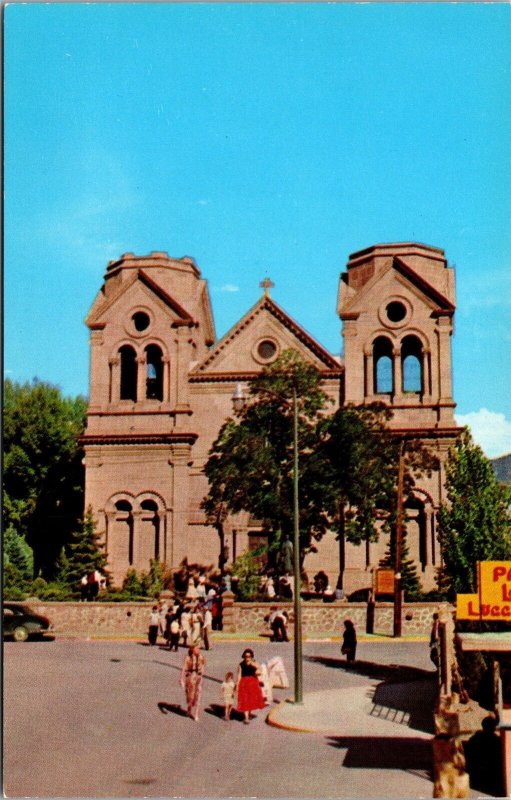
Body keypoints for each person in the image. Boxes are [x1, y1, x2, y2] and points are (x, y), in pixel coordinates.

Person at [236, 648, 266, 724]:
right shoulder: (241, 665)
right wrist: (237, 685)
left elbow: (260, 671)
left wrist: (255, 667)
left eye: (249, 656)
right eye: (246, 656)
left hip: (253, 684)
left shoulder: (255, 663)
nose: (247, 658)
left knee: (250, 700)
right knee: (244, 700)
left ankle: (249, 714)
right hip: (244, 684)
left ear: (251, 656)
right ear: (244, 656)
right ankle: (246, 718)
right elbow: (239, 676)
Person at [180, 645, 205, 721]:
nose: (198, 650)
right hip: (190, 678)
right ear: (192, 650)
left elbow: (203, 668)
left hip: (198, 677)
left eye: (199, 648)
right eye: (196, 648)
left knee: (198, 695)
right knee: (190, 696)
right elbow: (184, 668)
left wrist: (201, 677)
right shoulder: (188, 658)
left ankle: (196, 714)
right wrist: (181, 679)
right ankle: (189, 708)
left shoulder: (201, 657)